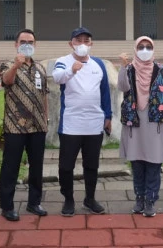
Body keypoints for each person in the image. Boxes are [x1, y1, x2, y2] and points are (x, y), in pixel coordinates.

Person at [51, 27, 112, 217]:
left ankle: (90, 198)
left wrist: (108, 116)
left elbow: (105, 92)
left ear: (91, 43)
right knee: (66, 166)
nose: (83, 44)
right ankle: (68, 199)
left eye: (86, 41)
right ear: (71, 44)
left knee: (91, 165)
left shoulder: (99, 64)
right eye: (78, 41)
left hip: (94, 124)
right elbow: (57, 78)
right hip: (71, 124)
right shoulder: (63, 62)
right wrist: (72, 70)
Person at [117, 36, 163, 217]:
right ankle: (139, 200)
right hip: (134, 126)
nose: (144, 50)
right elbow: (122, 87)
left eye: (148, 47)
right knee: (137, 165)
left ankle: (150, 201)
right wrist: (122, 66)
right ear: (135, 49)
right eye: (141, 47)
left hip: (156, 126)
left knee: (153, 165)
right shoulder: (129, 69)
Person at [0, 29, 50, 221]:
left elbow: (44, 95)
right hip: (15, 126)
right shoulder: (8, 64)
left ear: (35, 45)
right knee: (10, 167)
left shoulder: (41, 69)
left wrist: (46, 119)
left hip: (37, 126)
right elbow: (6, 81)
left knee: (36, 167)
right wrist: (16, 66)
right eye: (23, 41)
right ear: (16, 44)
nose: (27, 44)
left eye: (30, 41)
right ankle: (7, 206)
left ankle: (34, 202)